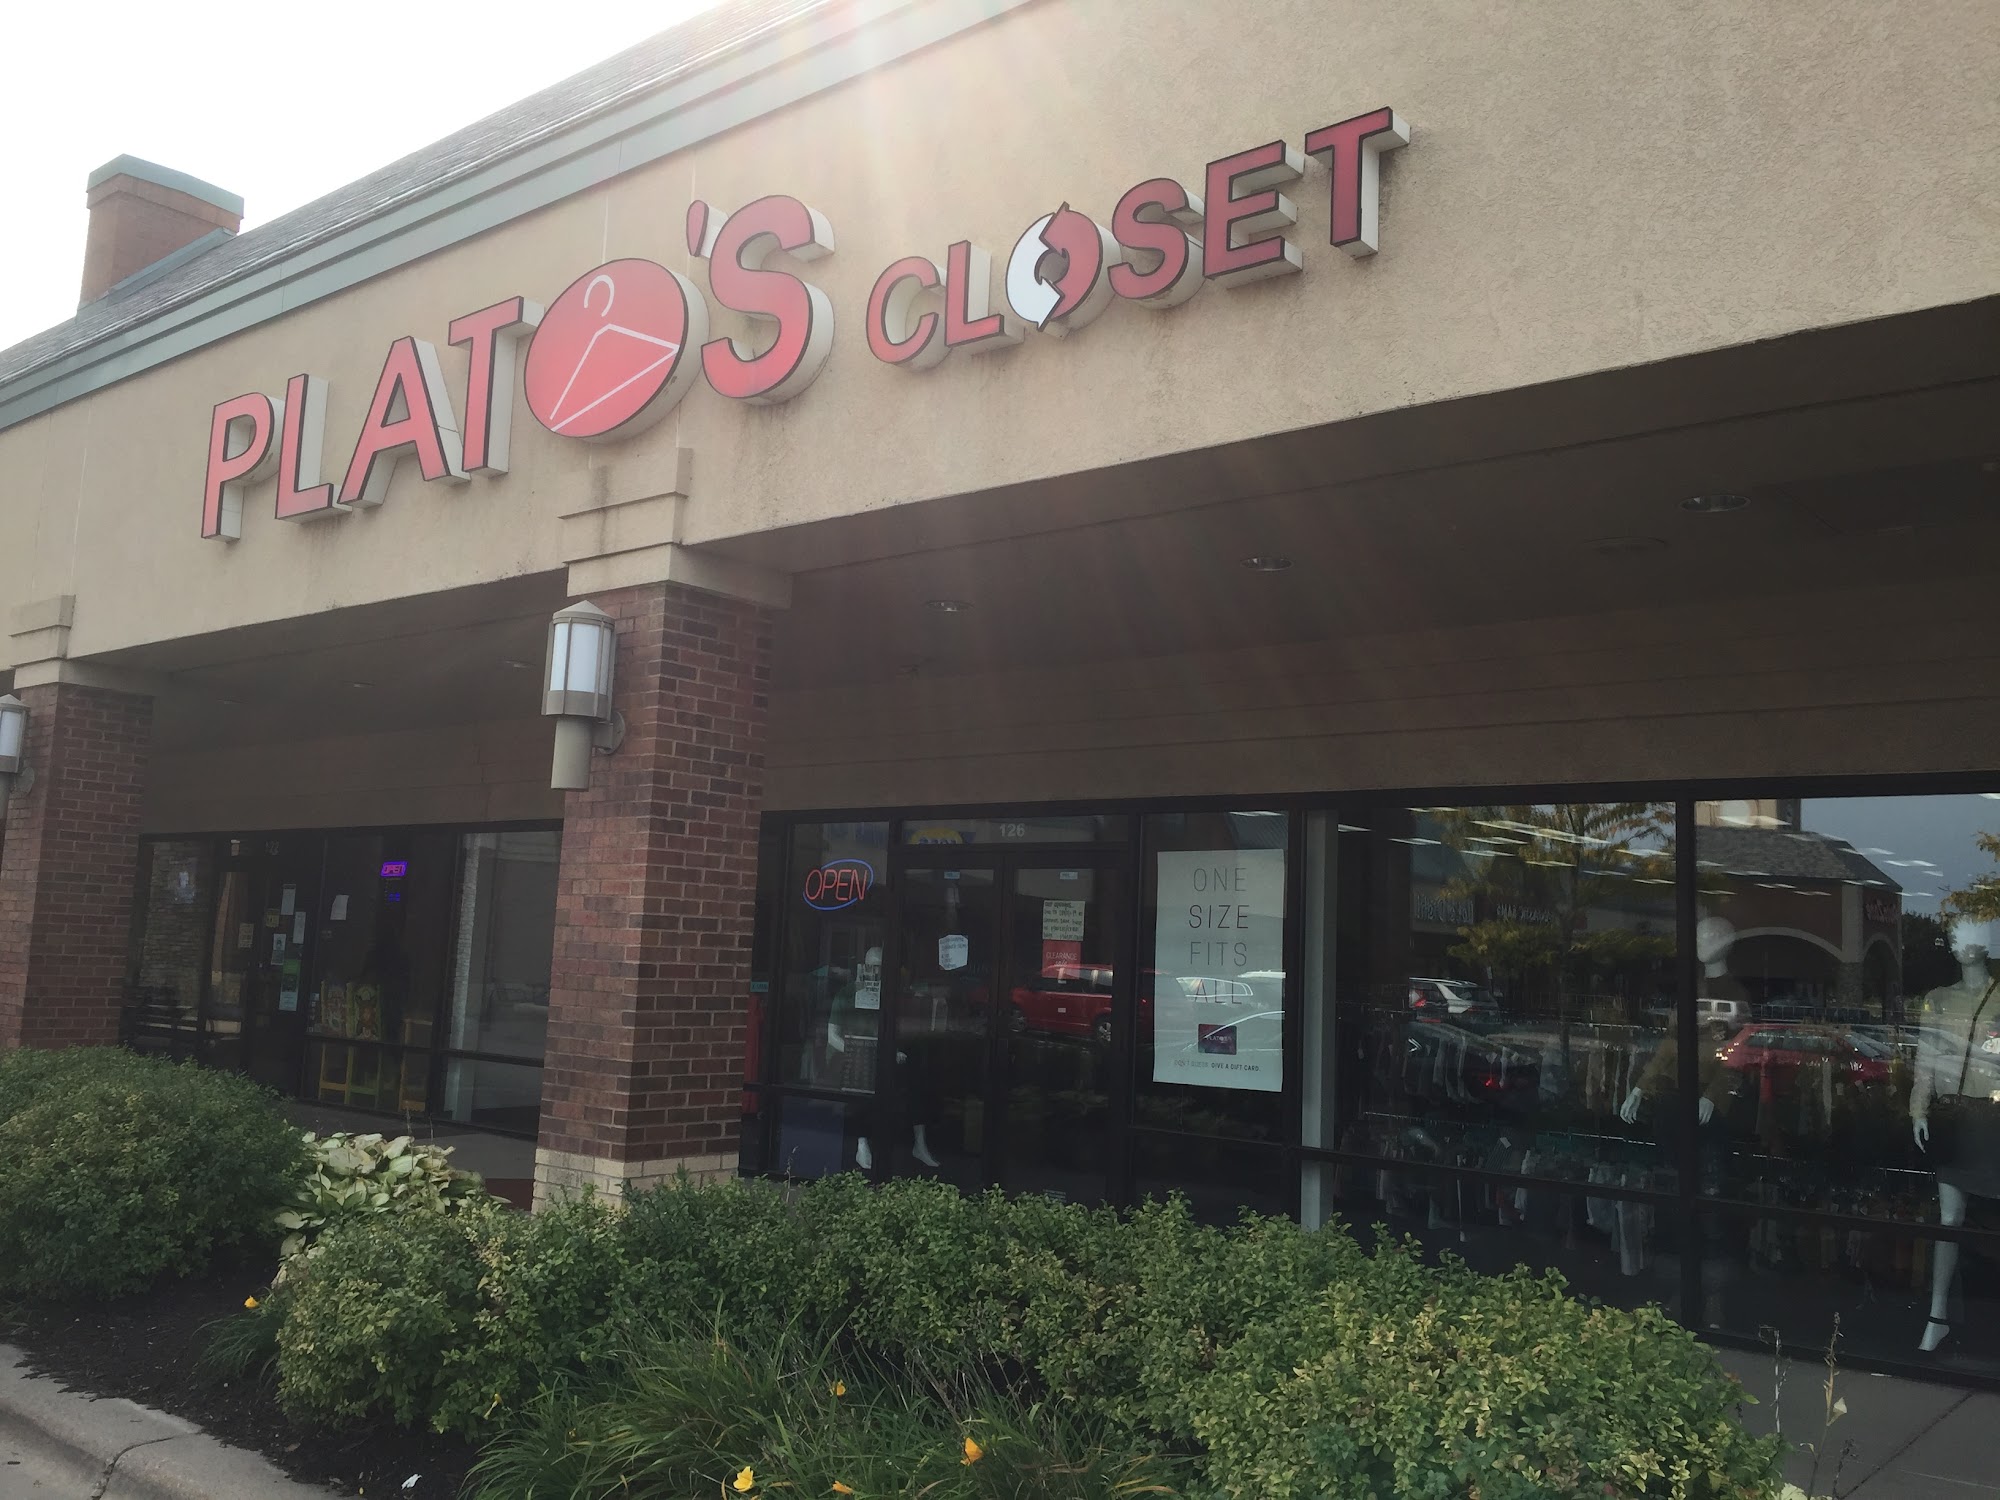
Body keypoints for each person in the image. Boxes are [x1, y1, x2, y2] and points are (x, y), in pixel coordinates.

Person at [1910, 918, 2000, 1353]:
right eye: (1956, 936)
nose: (1964, 944)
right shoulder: (1938, 999)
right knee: (1949, 1219)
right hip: (1953, 1118)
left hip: (1993, 1118)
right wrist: (1918, 1109)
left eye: (1972, 935)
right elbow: (1925, 1062)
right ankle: (1937, 1314)